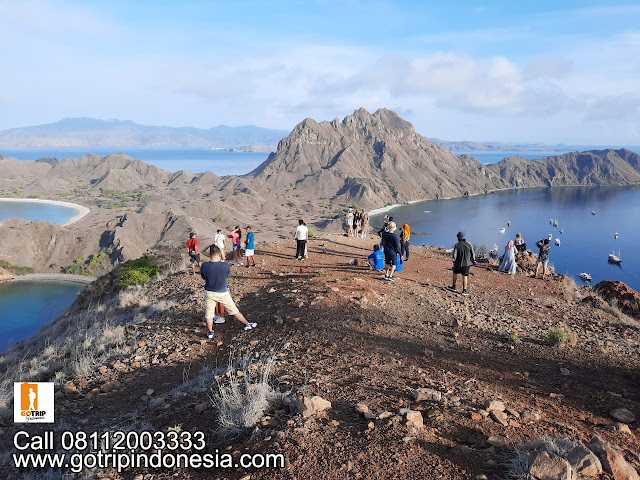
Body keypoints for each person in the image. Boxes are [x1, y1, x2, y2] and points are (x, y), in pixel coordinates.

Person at [200, 245, 256, 338]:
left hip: (209, 292)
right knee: (234, 310)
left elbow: (203, 276)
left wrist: (210, 245)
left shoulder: (204, 265)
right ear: (219, 254)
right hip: (222, 292)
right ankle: (247, 324)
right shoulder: (225, 265)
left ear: (209, 254)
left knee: (209, 314)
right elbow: (227, 275)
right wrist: (220, 248)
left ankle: (210, 332)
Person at [447, 231, 476, 296]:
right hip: (467, 263)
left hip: (458, 263)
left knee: (455, 273)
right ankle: (464, 290)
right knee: (464, 276)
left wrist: (454, 262)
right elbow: (473, 254)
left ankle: (453, 287)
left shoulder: (457, 245)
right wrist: (474, 260)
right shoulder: (469, 244)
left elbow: (454, 255)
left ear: (458, 238)